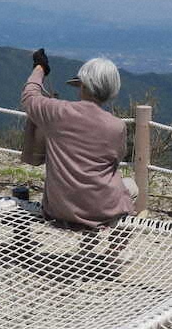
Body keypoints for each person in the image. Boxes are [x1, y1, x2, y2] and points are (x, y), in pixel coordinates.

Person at [21, 49, 136, 229]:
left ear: (82, 85)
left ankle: (91, 249)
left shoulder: (57, 112)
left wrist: (40, 68)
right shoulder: (117, 126)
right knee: (130, 187)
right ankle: (111, 253)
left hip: (58, 209)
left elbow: (29, 95)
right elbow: (115, 160)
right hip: (101, 210)